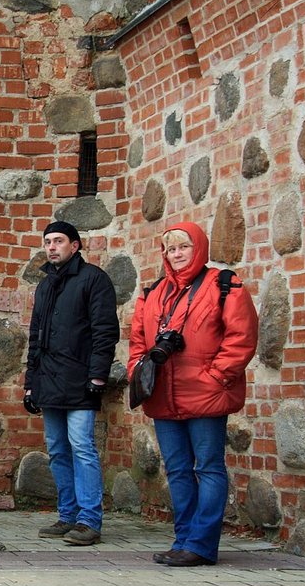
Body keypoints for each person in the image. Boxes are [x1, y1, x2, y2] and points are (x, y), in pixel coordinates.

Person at [129, 222, 257, 567]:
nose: (177, 254)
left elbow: (241, 337)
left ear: (198, 248)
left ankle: (200, 545)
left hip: (206, 395)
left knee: (209, 468)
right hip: (163, 395)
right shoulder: (153, 293)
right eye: (171, 249)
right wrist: (138, 373)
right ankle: (183, 540)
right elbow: (138, 342)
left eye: (184, 247)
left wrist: (215, 377)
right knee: (178, 470)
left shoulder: (224, 285)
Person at [24, 221, 119, 547]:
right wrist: (30, 383)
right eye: (48, 241)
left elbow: (105, 331)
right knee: (57, 450)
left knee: (82, 448)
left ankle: (89, 520)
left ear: (74, 245)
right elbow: (35, 337)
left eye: (59, 241)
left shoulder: (93, 279)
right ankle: (67, 515)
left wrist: (97, 375)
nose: (52, 247)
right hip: (49, 381)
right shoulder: (45, 285)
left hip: (80, 379)